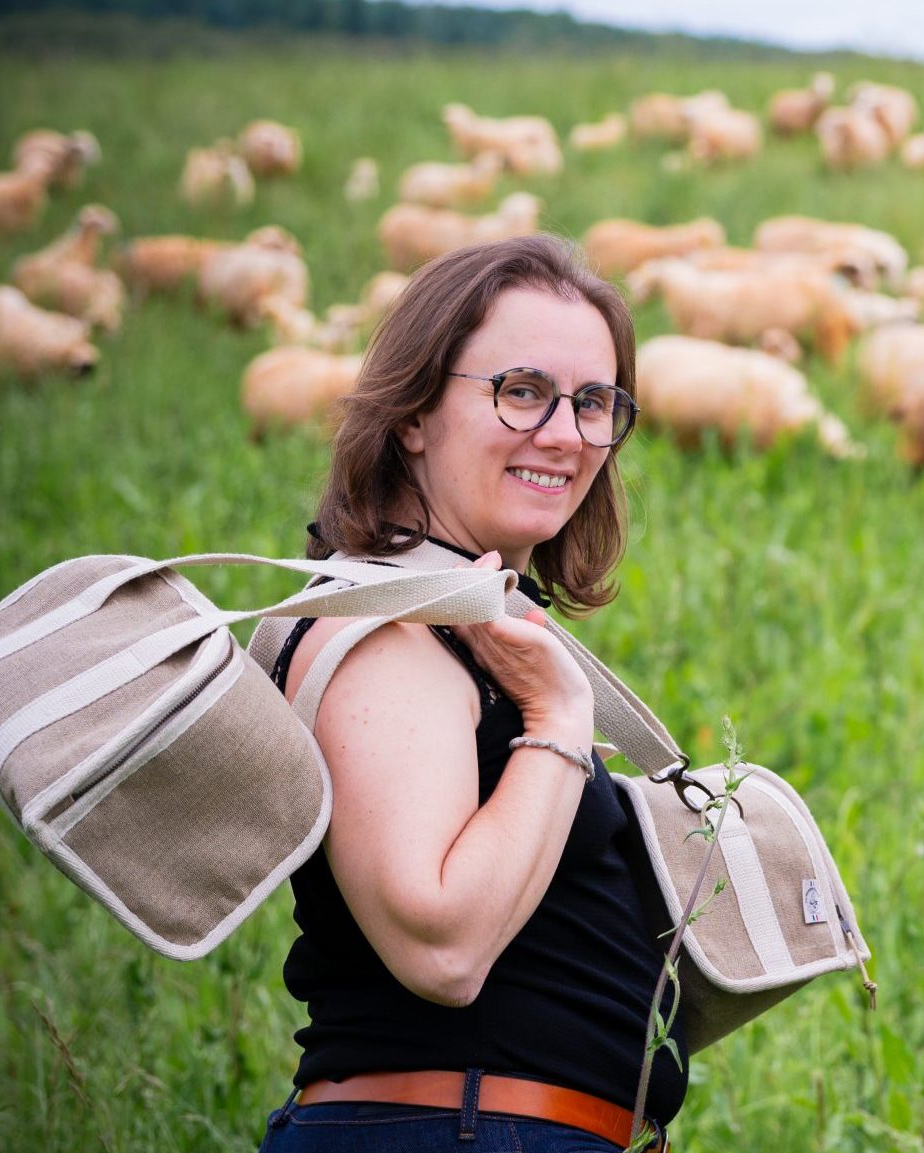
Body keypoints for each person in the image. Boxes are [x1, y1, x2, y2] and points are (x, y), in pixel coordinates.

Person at [255, 235, 679, 1152]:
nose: (565, 435)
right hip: (449, 1126)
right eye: (522, 391)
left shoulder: (461, 622)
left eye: (594, 403)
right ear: (412, 413)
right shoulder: (388, 634)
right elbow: (441, 947)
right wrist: (561, 722)